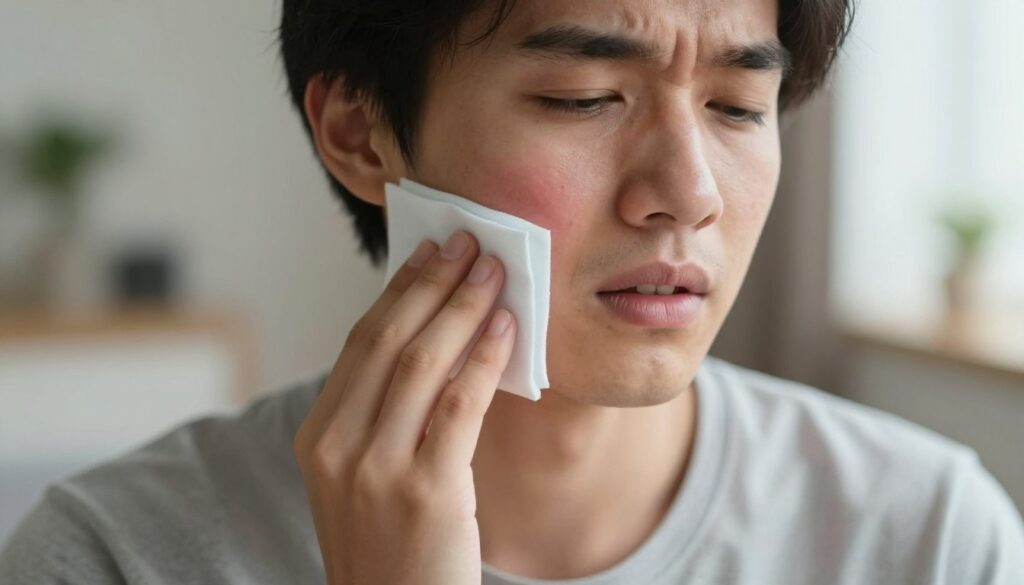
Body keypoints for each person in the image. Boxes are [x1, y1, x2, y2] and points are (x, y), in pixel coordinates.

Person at [2, 0, 1023, 583]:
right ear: (359, 133)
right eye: (584, 98)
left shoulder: (926, 537)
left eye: (738, 107)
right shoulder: (114, 555)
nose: (689, 194)